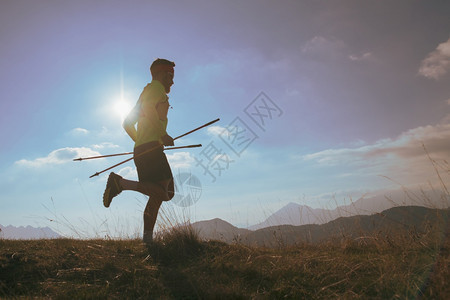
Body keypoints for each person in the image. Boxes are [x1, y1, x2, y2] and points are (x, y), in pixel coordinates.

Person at [102, 58, 176, 245]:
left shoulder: (145, 92)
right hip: (151, 149)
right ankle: (120, 183)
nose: (172, 81)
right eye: (170, 75)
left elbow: (127, 123)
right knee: (167, 193)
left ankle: (147, 241)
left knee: (157, 196)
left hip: (144, 149)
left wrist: (141, 142)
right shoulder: (156, 88)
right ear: (159, 74)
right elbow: (149, 109)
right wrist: (162, 134)